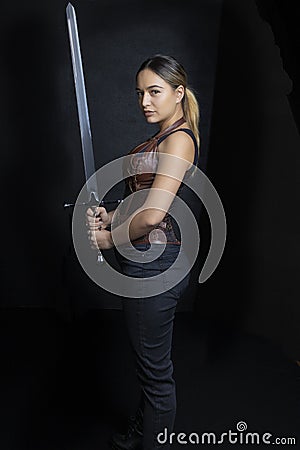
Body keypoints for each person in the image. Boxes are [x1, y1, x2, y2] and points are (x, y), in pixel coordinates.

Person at [86, 54, 200, 450]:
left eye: (155, 91)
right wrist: (112, 213)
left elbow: (153, 216)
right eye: (140, 93)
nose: (145, 102)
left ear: (178, 93)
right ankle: (142, 432)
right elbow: (143, 201)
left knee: (156, 376)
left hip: (156, 270)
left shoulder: (179, 140)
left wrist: (109, 239)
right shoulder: (164, 138)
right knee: (149, 369)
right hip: (152, 266)